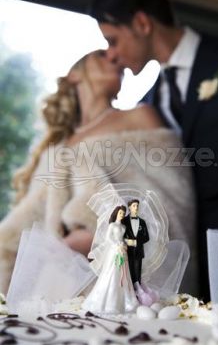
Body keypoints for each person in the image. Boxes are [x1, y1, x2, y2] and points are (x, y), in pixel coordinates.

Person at [89, 0, 218, 298]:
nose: (111, 54)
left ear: (142, 24)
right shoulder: (149, 105)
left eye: (113, 40)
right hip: (192, 286)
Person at [0, 50, 197, 296]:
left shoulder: (139, 116)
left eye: (116, 55)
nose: (116, 58)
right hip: (59, 281)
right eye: (102, 55)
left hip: (119, 280)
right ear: (74, 75)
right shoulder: (56, 148)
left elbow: (172, 200)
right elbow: (25, 223)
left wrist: (96, 235)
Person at [82, 205, 138, 314]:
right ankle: (108, 301)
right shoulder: (112, 225)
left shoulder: (123, 227)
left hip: (123, 250)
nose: (121, 215)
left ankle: (125, 301)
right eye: (120, 213)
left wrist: (127, 242)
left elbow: (123, 238)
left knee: (124, 273)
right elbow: (108, 238)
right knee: (112, 272)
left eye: (123, 213)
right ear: (116, 213)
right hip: (115, 251)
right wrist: (117, 245)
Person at [122, 199, 149, 285]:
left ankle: (138, 292)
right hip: (126, 251)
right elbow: (119, 236)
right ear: (129, 207)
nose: (136, 207)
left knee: (137, 274)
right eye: (134, 205)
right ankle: (129, 292)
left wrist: (137, 242)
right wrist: (126, 241)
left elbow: (147, 237)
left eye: (137, 205)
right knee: (128, 273)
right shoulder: (124, 221)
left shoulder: (142, 222)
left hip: (139, 251)